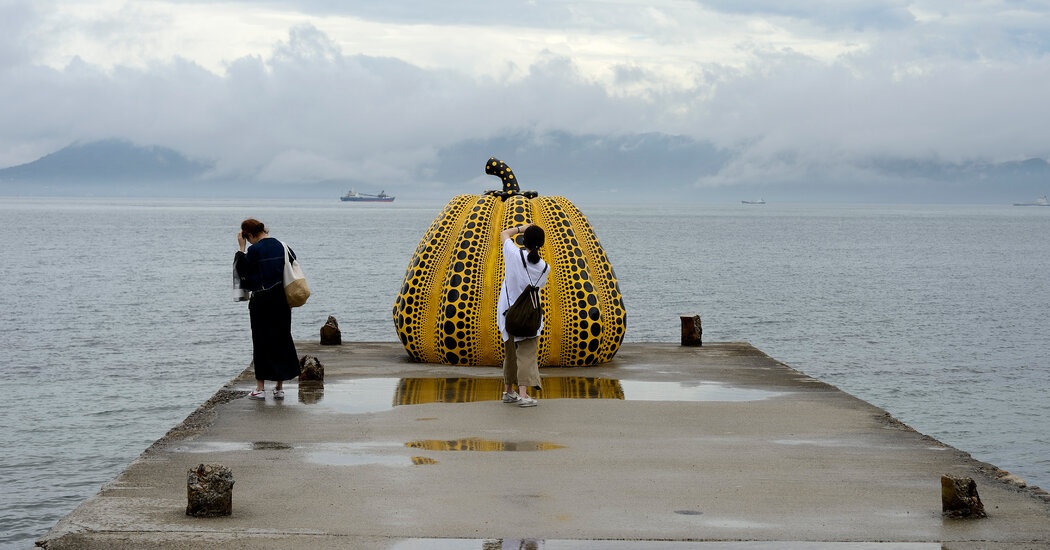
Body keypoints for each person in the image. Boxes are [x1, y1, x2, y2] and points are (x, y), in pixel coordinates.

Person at [234, 218, 301, 400]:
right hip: (281, 298)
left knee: (261, 341)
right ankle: (279, 387)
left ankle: (260, 388)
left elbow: (242, 271)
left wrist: (241, 249)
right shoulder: (282, 246)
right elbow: (292, 261)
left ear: (249, 235)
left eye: (246, 238)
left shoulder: (254, 250)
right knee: (282, 338)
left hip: (261, 299)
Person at [497, 223, 550, 407]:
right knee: (526, 354)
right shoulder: (544, 268)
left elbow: (504, 233)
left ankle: (509, 392)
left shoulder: (513, 254)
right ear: (541, 244)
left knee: (510, 353)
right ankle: (523, 395)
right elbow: (538, 287)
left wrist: (521, 228)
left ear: (523, 241)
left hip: (507, 312)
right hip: (528, 315)